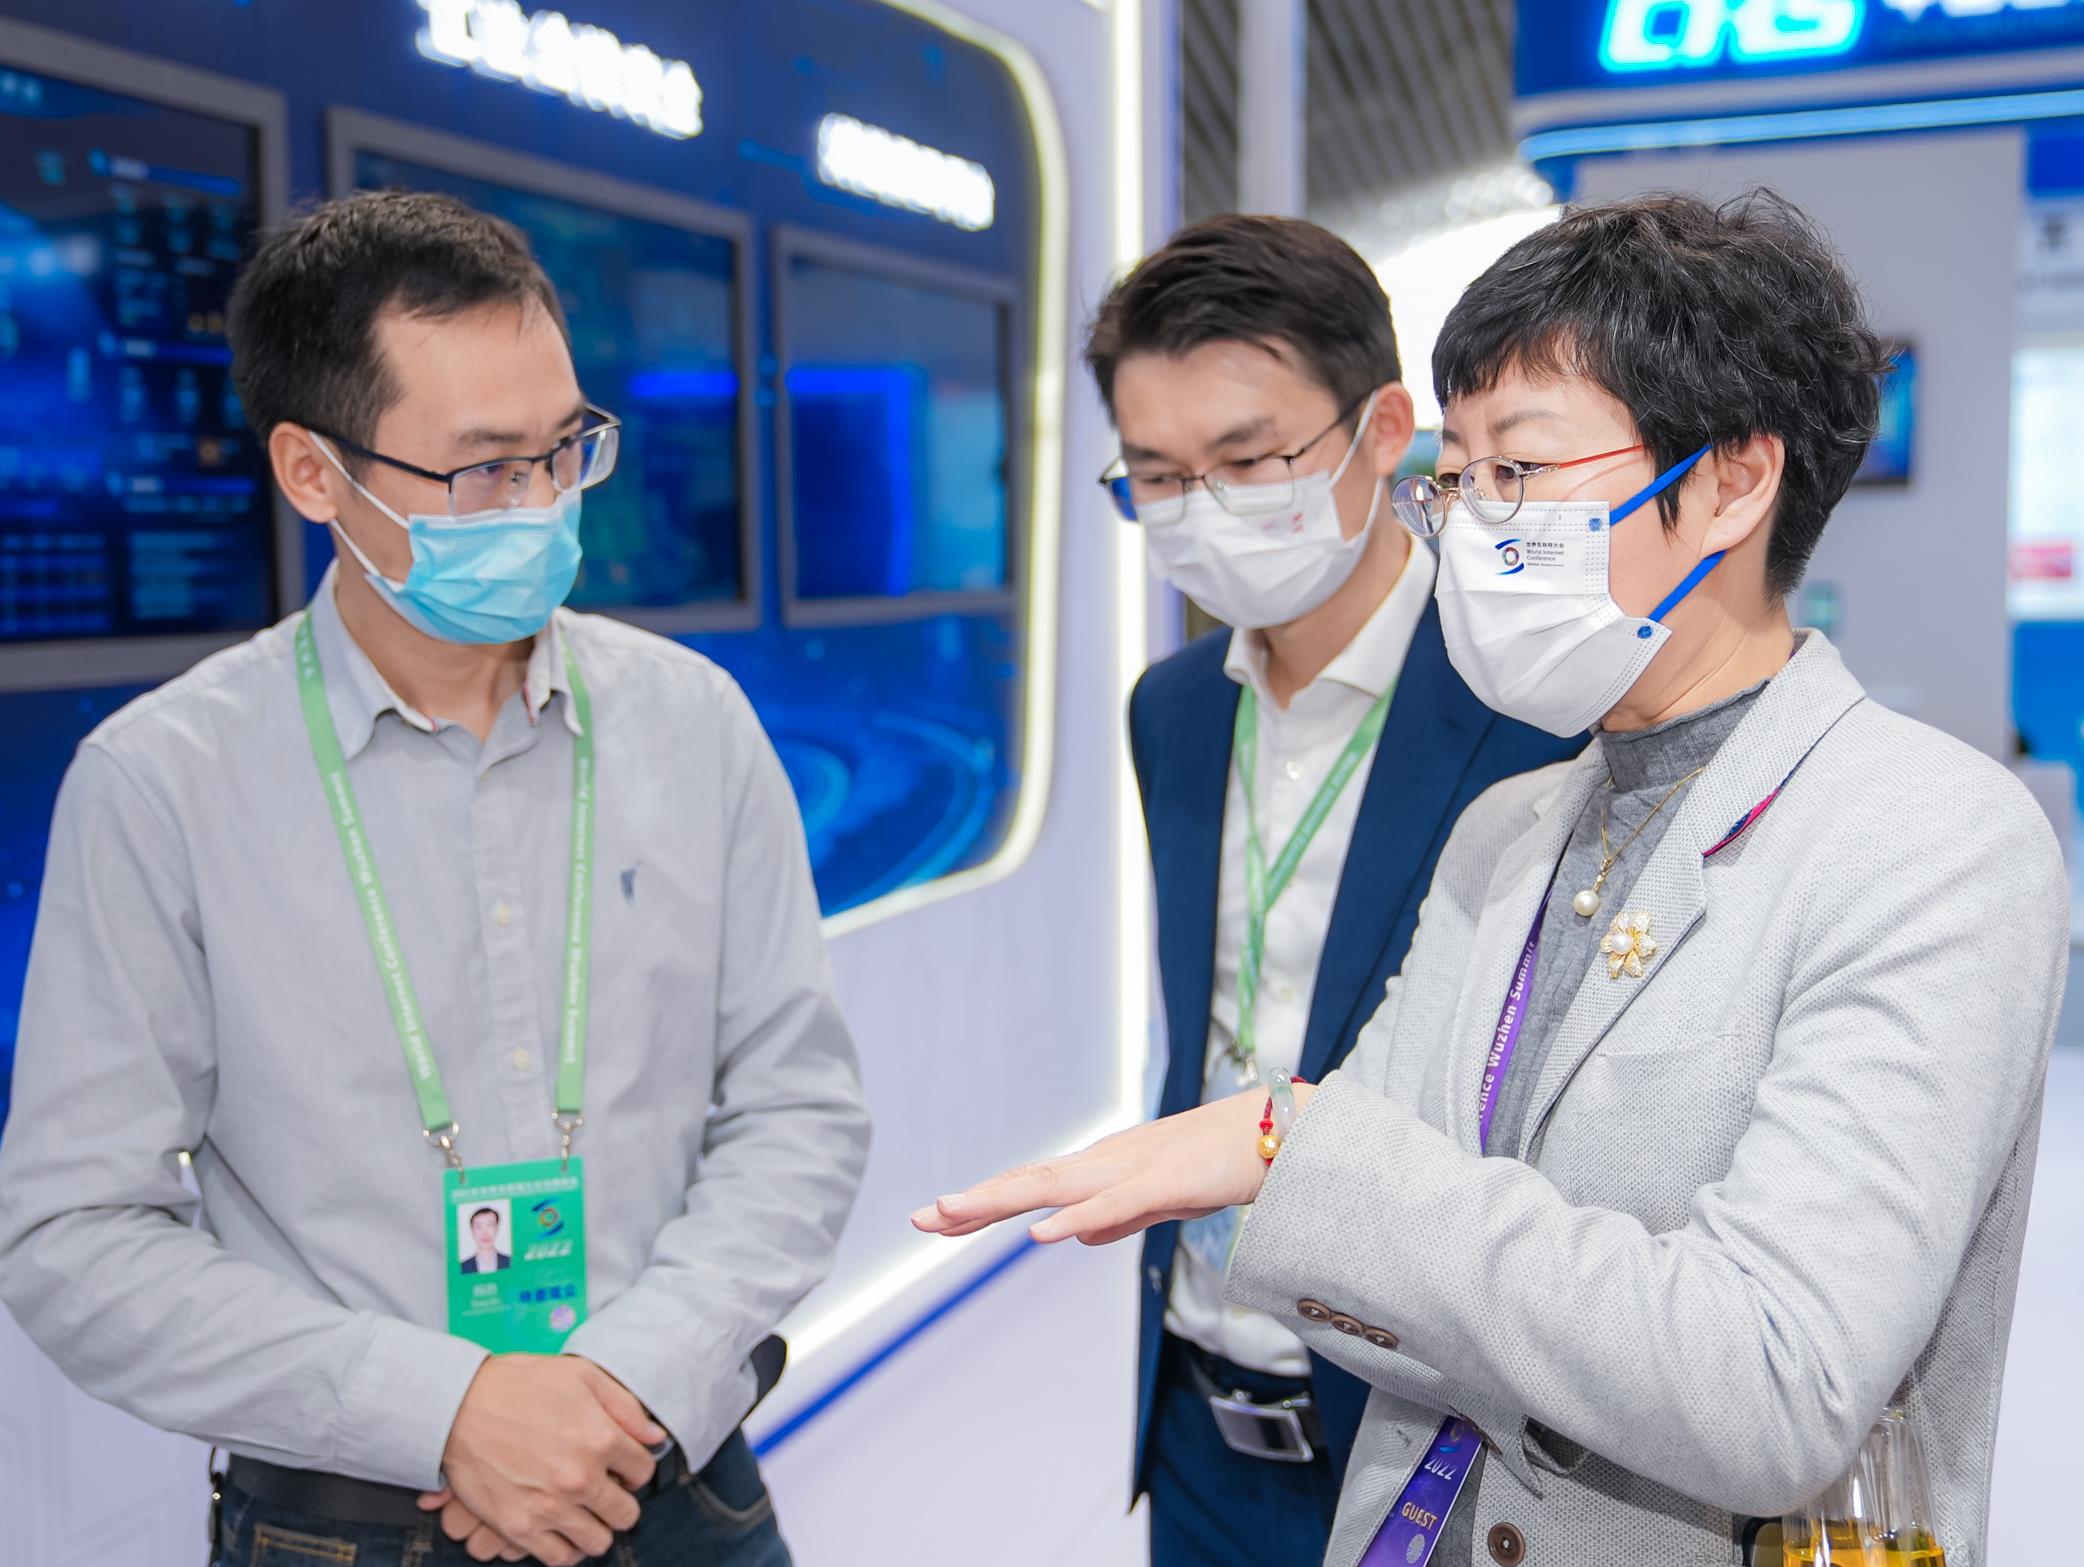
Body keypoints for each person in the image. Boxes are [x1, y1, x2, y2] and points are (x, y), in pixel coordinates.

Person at [917, 191, 2069, 1567]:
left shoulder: (1930, 837)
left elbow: (1772, 1378)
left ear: (1730, 481)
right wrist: (1321, 1177)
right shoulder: (1511, 831)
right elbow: (1358, 1259)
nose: (1467, 525)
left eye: (1516, 470)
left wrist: (1296, 1148)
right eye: (1457, 478)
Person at [0, 191, 870, 1567]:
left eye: (565, 449)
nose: (541, 504)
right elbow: (72, 1231)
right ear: (313, 473)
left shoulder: (691, 722)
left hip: (673, 1484)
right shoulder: (164, 782)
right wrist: (446, 1409)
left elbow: (798, 1104)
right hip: (346, 1524)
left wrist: (629, 1381)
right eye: (482, 470)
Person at [1085, 214, 1579, 1566]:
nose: (1202, 508)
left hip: (1421, 1418)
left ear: (1382, 432)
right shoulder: (1172, 708)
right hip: (1195, 1405)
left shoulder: (1531, 712)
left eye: (1249, 460)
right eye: (1157, 475)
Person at [461, 1208, 512, 1275]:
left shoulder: (510, 1262)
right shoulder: (462, 1267)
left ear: (497, 1228)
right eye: (479, 1227)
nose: (485, 1233)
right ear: (472, 1231)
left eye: (490, 1225)